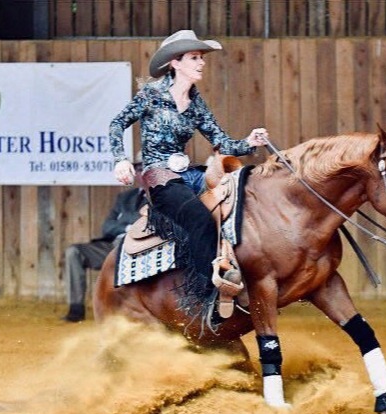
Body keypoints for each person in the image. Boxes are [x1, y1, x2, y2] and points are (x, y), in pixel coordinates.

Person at [108, 29, 268, 313]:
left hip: (187, 176)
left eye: (201, 57)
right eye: (195, 57)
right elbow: (117, 124)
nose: (201, 62)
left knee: (235, 206)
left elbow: (223, 142)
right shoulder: (150, 95)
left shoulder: (196, 104)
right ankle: (206, 297)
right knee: (199, 219)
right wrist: (120, 159)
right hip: (158, 177)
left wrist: (249, 142)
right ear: (175, 62)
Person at [63, 162, 147, 322]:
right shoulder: (125, 197)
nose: (142, 173)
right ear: (134, 172)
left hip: (139, 247)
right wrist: (131, 225)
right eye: (138, 168)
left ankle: (127, 311)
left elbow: (150, 224)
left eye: (146, 168)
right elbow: (107, 227)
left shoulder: (160, 195)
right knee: (74, 252)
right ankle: (76, 308)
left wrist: (124, 223)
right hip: (113, 245)